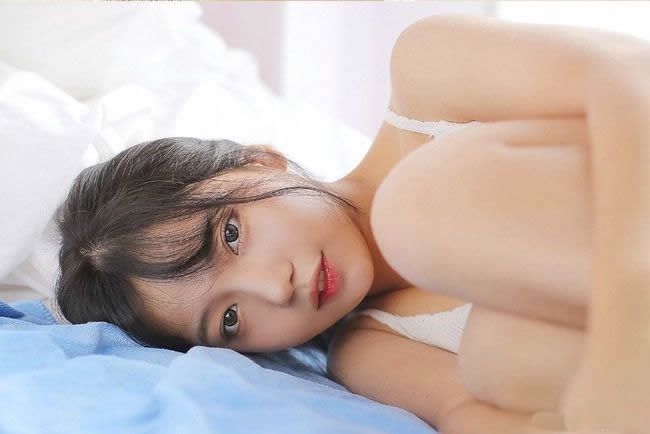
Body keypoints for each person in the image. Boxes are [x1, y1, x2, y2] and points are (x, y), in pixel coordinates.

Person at [54, 14, 649, 434]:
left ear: (259, 161)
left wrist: (619, 334)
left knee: (411, 216)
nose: (274, 288)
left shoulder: (427, 75)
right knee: (499, 360)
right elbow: (471, 416)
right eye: (229, 319)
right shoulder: (369, 351)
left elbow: (629, 76)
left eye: (231, 235)